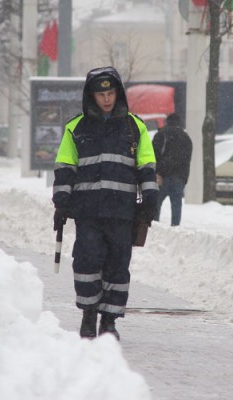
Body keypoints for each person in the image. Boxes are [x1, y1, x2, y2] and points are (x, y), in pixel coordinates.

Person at [52, 66, 158, 340]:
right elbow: (65, 167)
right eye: (101, 94)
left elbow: (146, 165)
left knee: (117, 265)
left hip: (122, 212)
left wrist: (150, 201)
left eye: (110, 93)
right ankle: (88, 316)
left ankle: (109, 321)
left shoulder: (136, 127)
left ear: (118, 93)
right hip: (87, 211)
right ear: (92, 96)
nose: (107, 99)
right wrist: (61, 202)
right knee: (87, 262)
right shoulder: (75, 128)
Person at [152, 113, 193, 226]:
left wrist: (156, 172)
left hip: (162, 177)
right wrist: (184, 178)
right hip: (179, 178)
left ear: (168, 122)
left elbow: (153, 155)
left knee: (156, 204)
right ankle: (175, 227)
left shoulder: (161, 135)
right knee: (176, 205)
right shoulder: (186, 138)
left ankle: (155, 227)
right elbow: (187, 160)